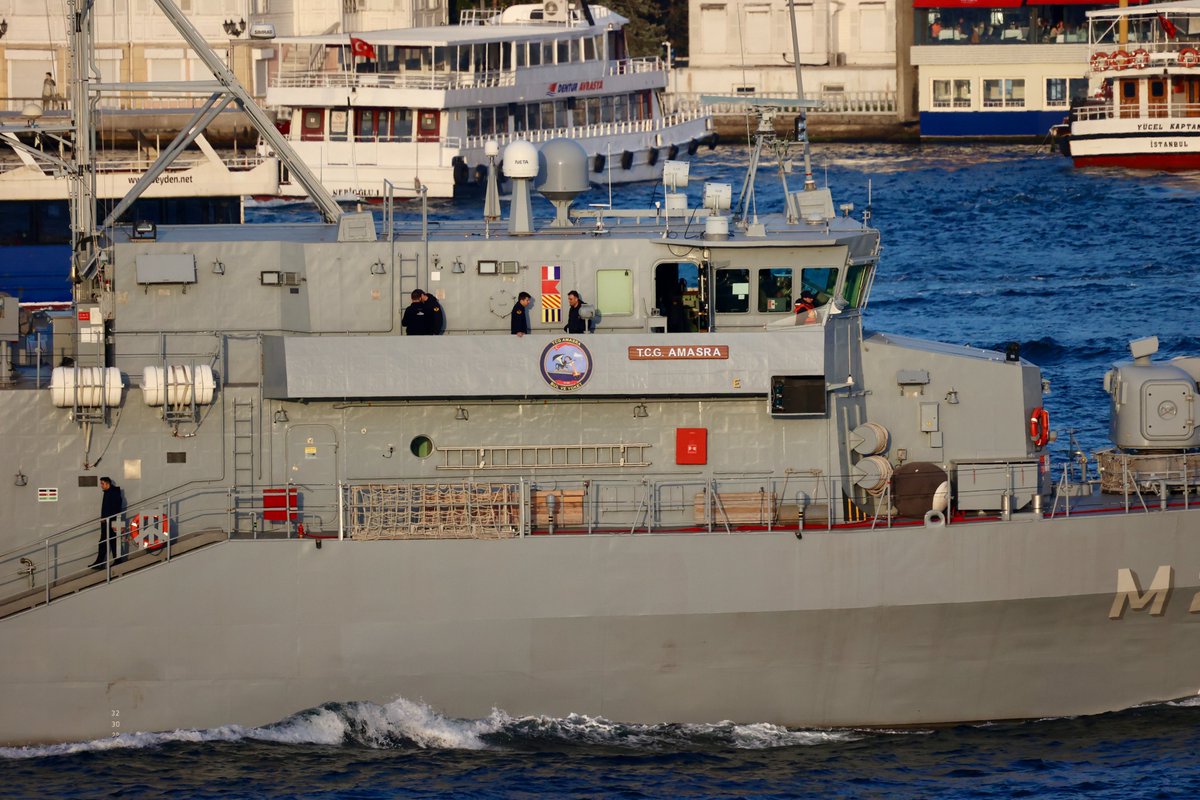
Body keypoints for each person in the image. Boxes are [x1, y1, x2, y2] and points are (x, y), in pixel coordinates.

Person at [90, 477, 123, 569]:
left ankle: (108, 562)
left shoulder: (114, 493)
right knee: (106, 542)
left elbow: (117, 508)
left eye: (102, 483)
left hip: (113, 521)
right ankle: (102, 562)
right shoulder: (107, 493)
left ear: (107, 483)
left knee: (111, 541)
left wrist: (108, 518)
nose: (101, 485)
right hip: (106, 522)